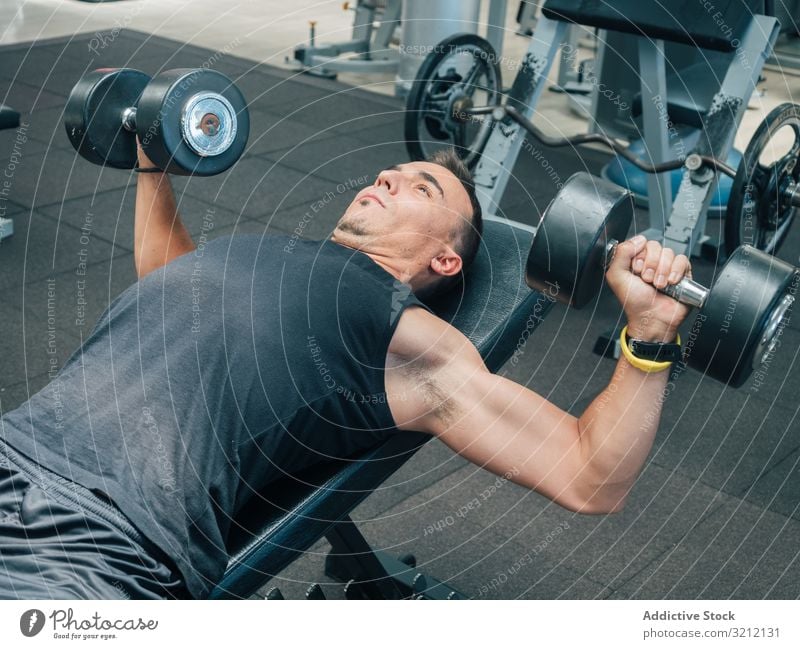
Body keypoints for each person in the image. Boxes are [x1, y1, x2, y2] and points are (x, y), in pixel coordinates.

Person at [0, 143, 691, 599]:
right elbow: (166, 275)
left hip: (99, 543)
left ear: (445, 260)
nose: (385, 176)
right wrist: (155, 159)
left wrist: (650, 333)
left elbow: (589, 474)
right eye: (389, 170)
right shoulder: (256, 254)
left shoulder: (408, 340)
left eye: (420, 186)